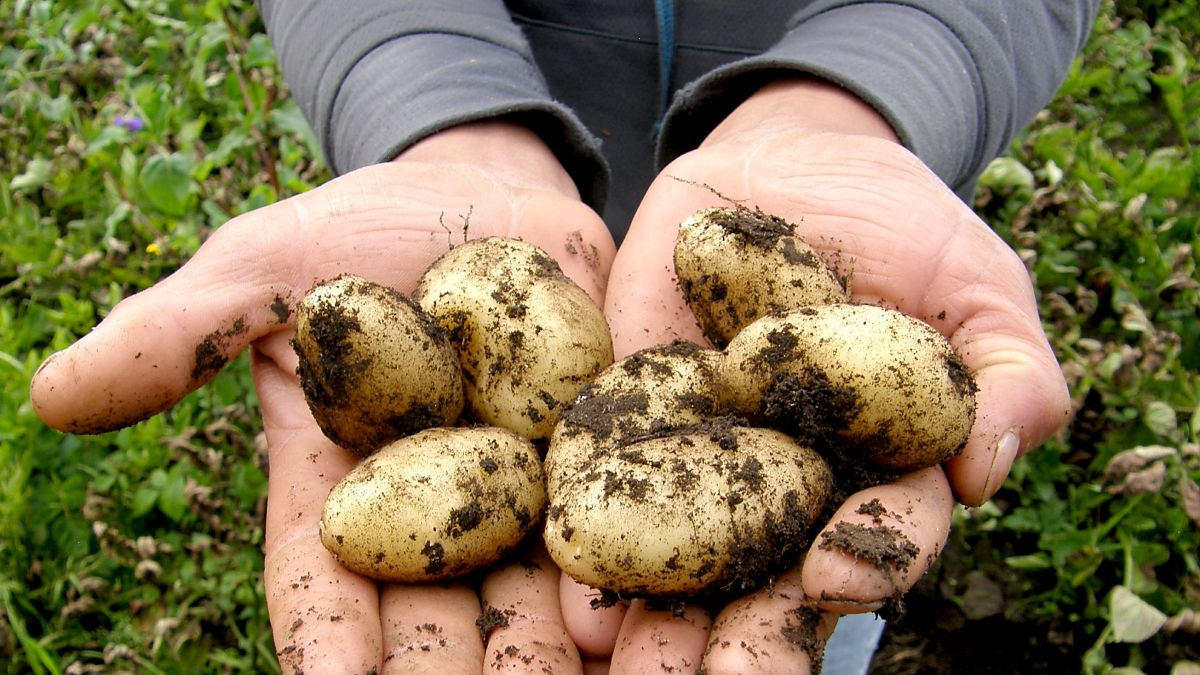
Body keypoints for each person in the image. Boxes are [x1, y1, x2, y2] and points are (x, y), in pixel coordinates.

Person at [31, 1, 1100, 673]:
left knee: (824, 593)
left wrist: (857, 101)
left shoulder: (770, 352)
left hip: (847, 249)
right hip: (508, 185)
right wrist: (442, 107)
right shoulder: (535, 408)